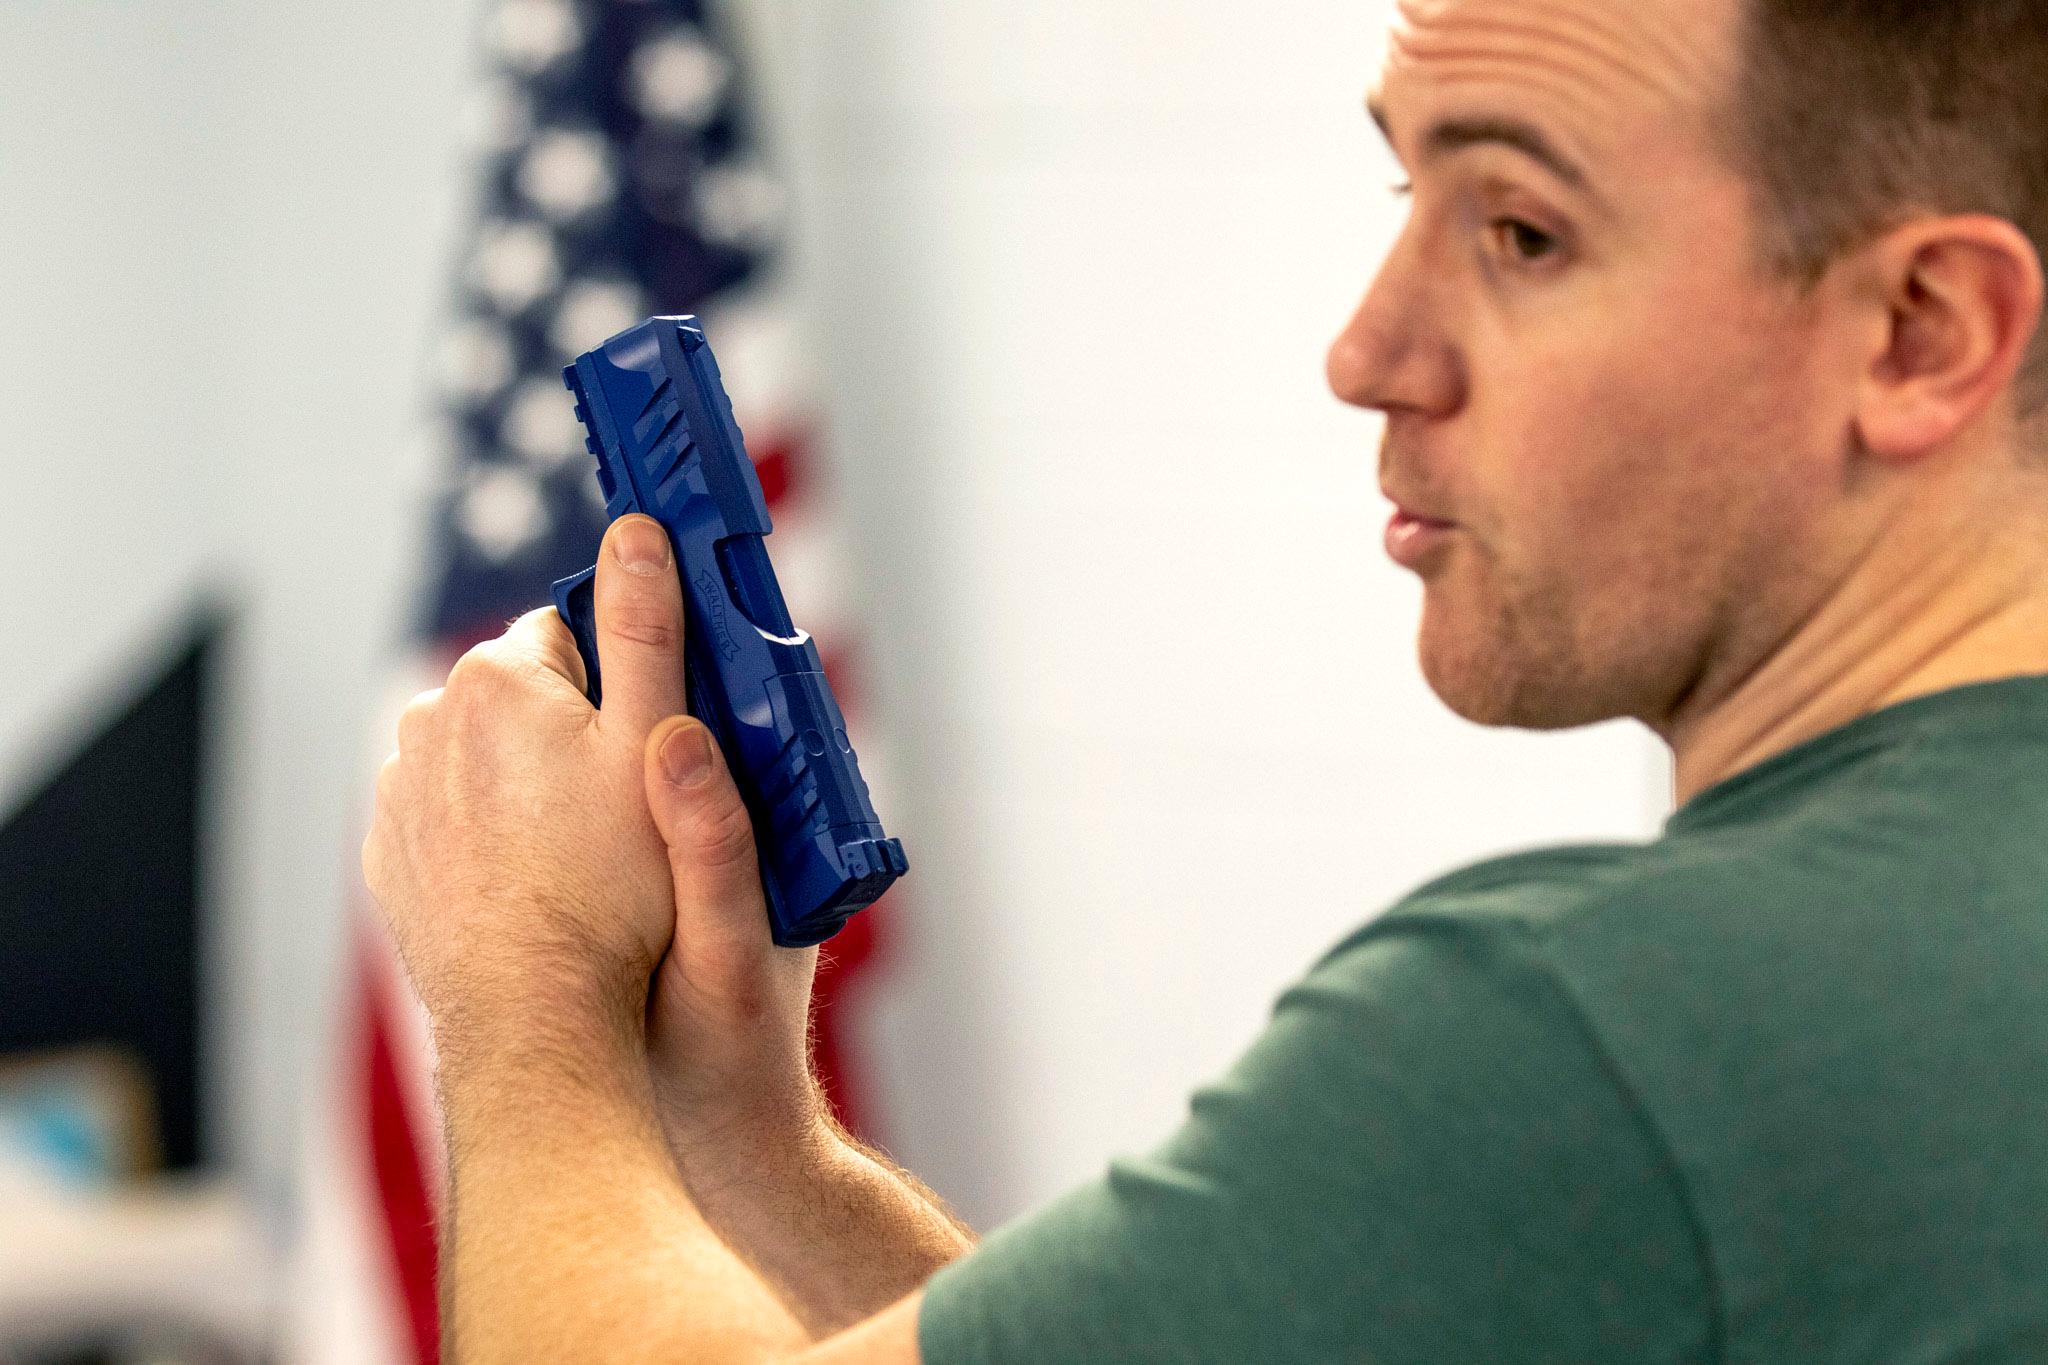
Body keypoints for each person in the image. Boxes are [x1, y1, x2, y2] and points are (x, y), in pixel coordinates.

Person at [362, 0, 2048, 1357]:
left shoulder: (1595, 1039)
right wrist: (752, 1135)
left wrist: (523, 988)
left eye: (1523, 229)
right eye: (1412, 198)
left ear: (1922, 328)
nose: (1367, 351)